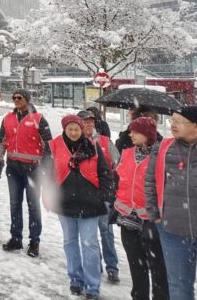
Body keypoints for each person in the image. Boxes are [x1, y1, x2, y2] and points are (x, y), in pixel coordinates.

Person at [145, 106, 197, 300]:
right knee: (179, 287)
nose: (172, 125)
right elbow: (150, 181)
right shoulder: (164, 148)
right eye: (171, 121)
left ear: (196, 126)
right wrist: (155, 215)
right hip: (173, 233)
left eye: (178, 121)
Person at [46, 114, 112, 300]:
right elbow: (47, 172)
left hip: (91, 204)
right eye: (70, 129)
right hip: (65, 203)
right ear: (64, 129)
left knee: (89, 244)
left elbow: (105, 173)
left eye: (77, 129)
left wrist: (104, 196)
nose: (74, 133)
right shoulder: (54, 146)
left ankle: (93, 286)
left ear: (82, 129)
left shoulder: (92, 146)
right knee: (70, 242)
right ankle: (75, 279)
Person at [114, 116, 169, 300]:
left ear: (147, 134)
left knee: (157, 267)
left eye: (135, 131)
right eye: (130, 131)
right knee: (136, 266)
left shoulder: (160, 156)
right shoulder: (127, 152)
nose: (131, 135)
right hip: (127, 219)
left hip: (151, 221)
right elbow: (119, 179)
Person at [0, 88, 52, 257]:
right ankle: (16, 238)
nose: (16, 100)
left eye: (19, 97)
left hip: (33, 168)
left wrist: (46, 168)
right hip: (13, 167)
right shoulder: (8, 118)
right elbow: (2, 142)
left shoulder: (39, 119)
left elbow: (48, 146)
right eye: (14, 97)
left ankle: (34, 241)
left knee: (33, 206)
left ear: (27, 99)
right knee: (15, 204)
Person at [79, 109, 121, 284]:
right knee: (89, 234)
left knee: (106, 231)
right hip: (84, 195)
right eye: (85, 122)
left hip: (103, 194)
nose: (89, 125)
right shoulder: (76, 142)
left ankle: (112, 267)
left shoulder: (105, 141)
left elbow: (117, 164)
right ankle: (95, 265)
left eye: (91, 122)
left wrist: (112, 190)